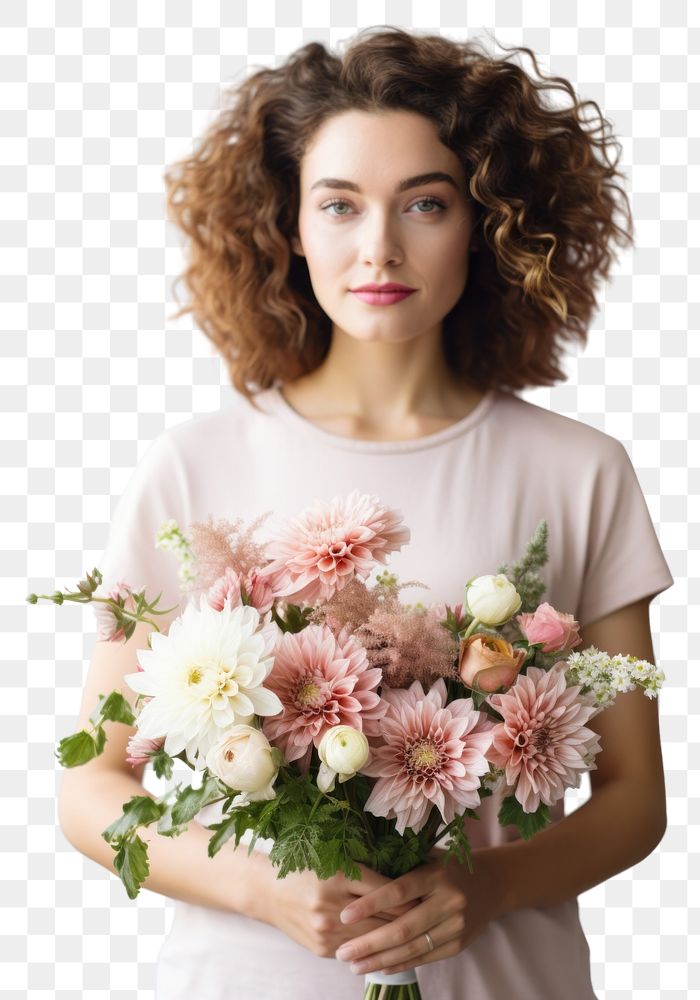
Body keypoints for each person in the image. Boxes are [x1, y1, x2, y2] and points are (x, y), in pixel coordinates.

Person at [57, 26, 674, 1000]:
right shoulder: (195, 466)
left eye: (424, 203)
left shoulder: (580, 469)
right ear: (289, 227)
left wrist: (493, 884)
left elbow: (635, 798)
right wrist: (255, 885)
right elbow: (91, 788)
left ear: (484, 221)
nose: (379, 247)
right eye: (339, 205)